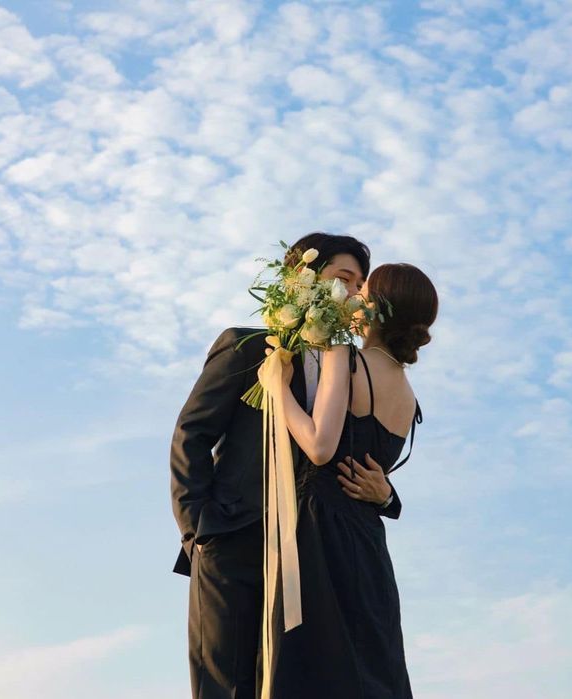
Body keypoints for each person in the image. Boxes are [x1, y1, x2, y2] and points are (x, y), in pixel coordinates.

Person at [170, 232, 404, 699]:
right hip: (231, 541)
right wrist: (198, 529)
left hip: (306, 557)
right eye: (345, 279)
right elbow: (191, 434)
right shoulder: (247, 346)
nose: (356, 294)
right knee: (225, 683)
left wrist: (388, 496)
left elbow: (350, 457)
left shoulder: (347, 368)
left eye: (361, 285)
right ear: (304, 280)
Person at [265, 262, 439, 699]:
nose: (354, 296)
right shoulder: (407, 392)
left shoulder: (345, 357)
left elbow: (320, 447)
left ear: (376, 307)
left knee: (313, 668)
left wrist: (276, 388)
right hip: (368, 545)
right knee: (371, 670)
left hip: (320, 533)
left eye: (364, 291)